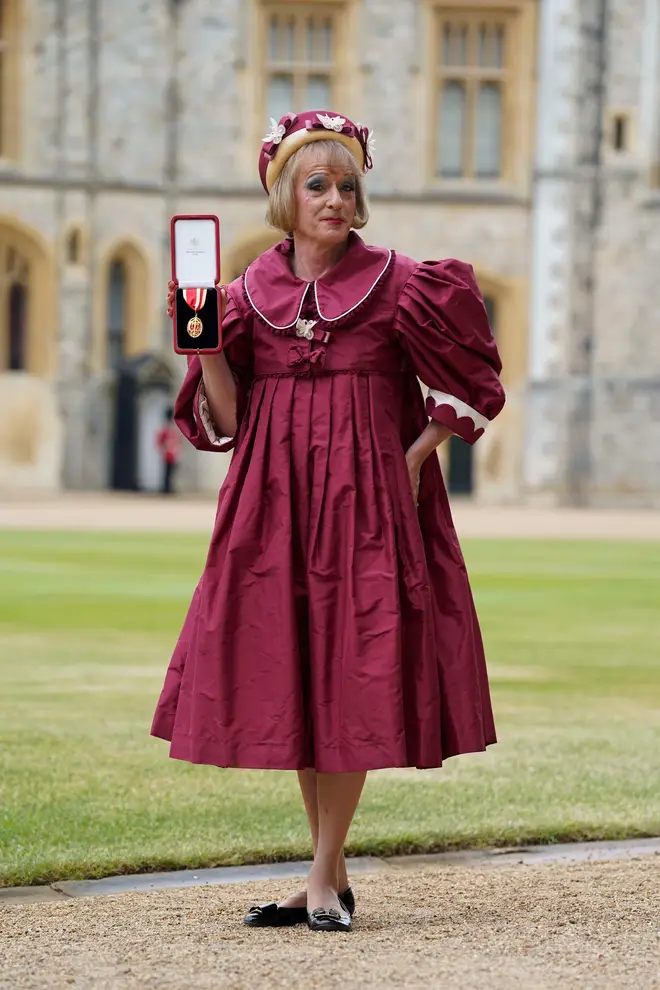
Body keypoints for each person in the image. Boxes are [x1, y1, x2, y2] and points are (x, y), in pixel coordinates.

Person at [152, 110, 505, 933]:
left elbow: (473, 384)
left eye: (348, 185)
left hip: (369, 506)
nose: (337, 199)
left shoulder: (404, 282)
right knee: (299, 676)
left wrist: (413, 460)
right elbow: (228, 420)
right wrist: (202, 343)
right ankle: (327, 878)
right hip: (273, 502)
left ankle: (317, 876)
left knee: (352, 676)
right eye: (318, 185)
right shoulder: (241, 295)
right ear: (285, 193)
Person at [155, 407, 180, 495]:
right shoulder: (172, 429)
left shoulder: (166, 429)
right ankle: (167, 488)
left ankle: (168, 488)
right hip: (170, 453)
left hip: (169, 453)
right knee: (168, 473)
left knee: (168, 473)